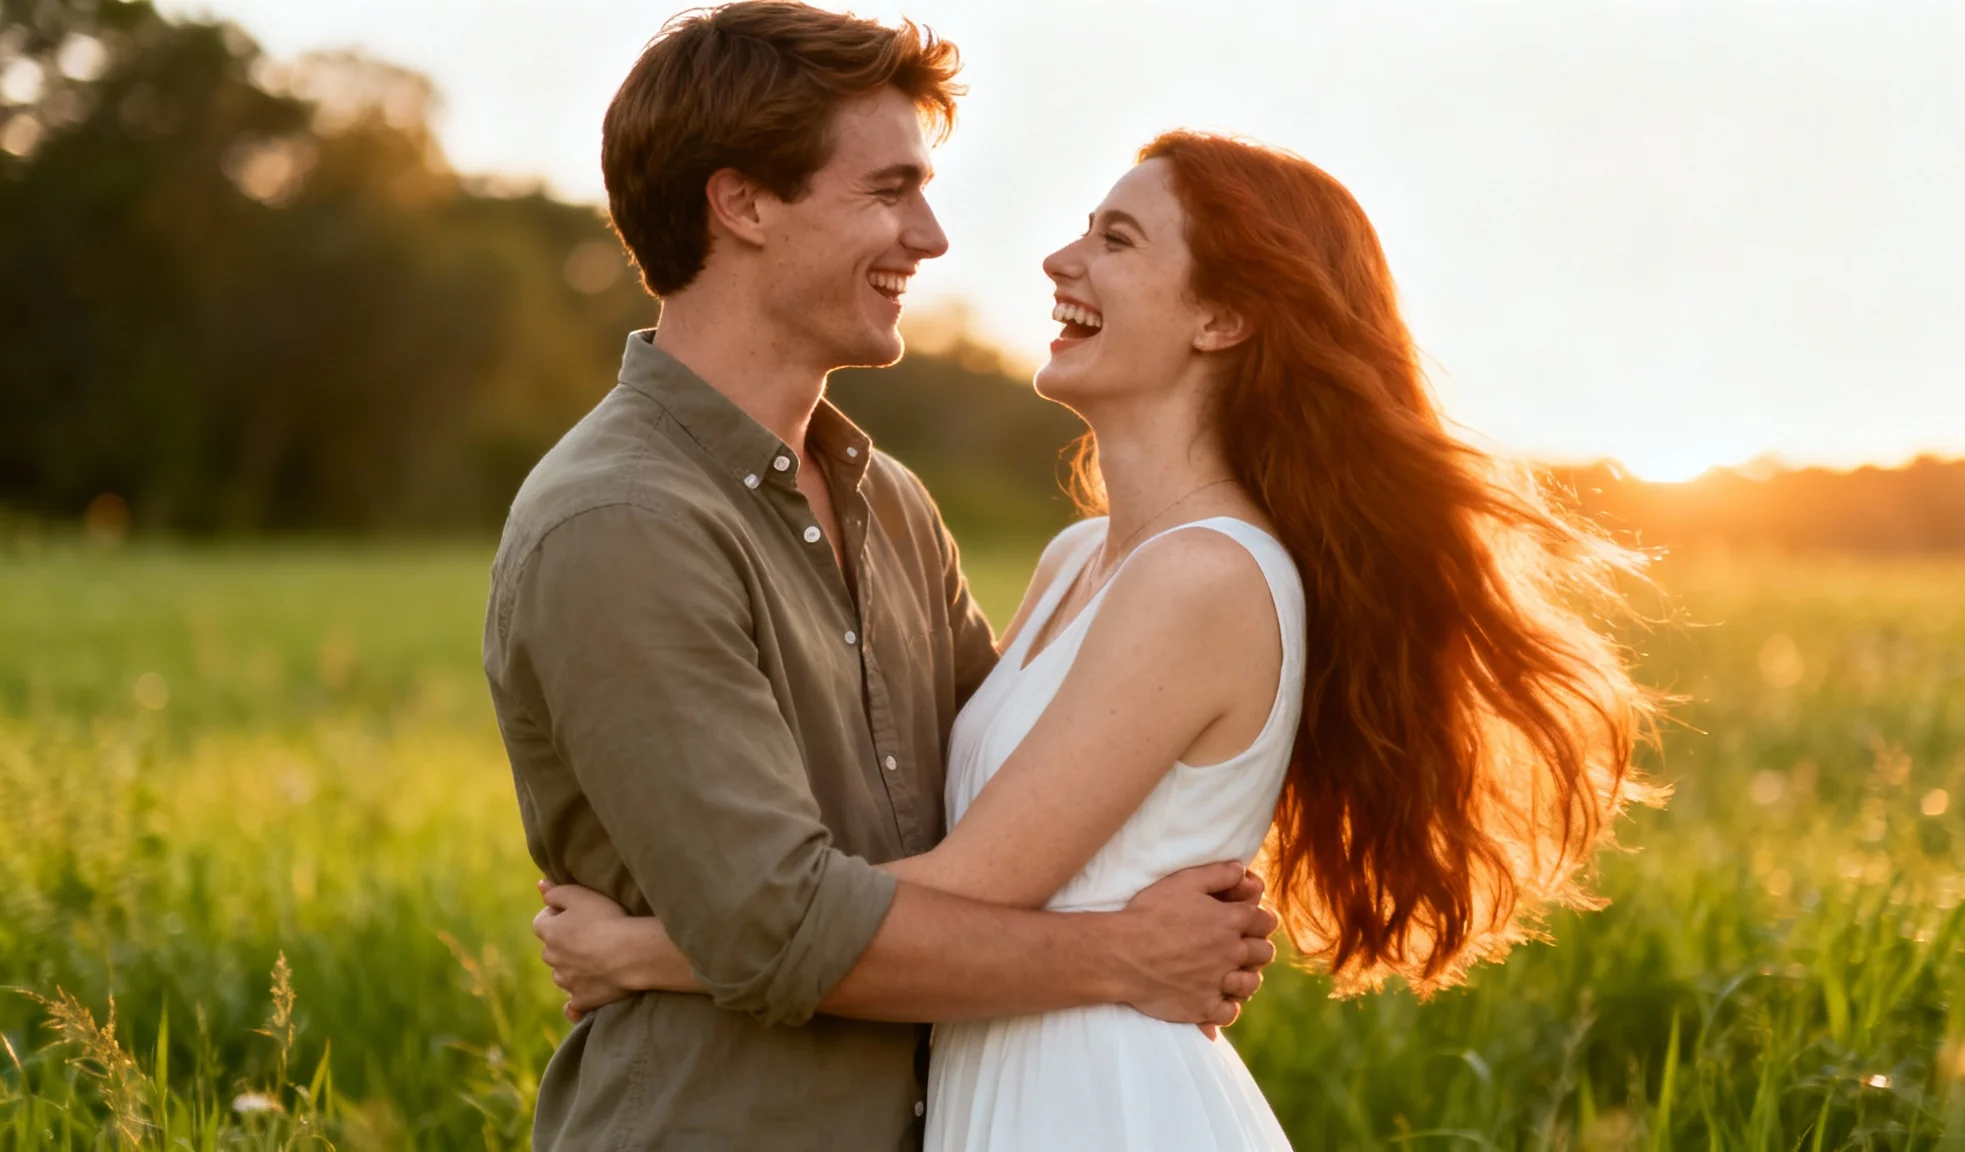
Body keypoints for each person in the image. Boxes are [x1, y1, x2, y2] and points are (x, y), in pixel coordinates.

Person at [534, 130, 1662, 1149]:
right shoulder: (1084, 560)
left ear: (1219, 318)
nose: (1057, 262)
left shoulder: (1205, 580)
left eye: (1114, 239)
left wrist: (646, 954)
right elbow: (946, 808)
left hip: (1094, 1097)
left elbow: (965, 889)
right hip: (994, 1072)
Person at [483, 6, 1278, 1151]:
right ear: (742, 202)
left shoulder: (886, 501)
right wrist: (1125, 956)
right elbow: (780, 927)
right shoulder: (622, 523)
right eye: (887, 190)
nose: (933, 235)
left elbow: (1008, 820)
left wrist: (650, 949)